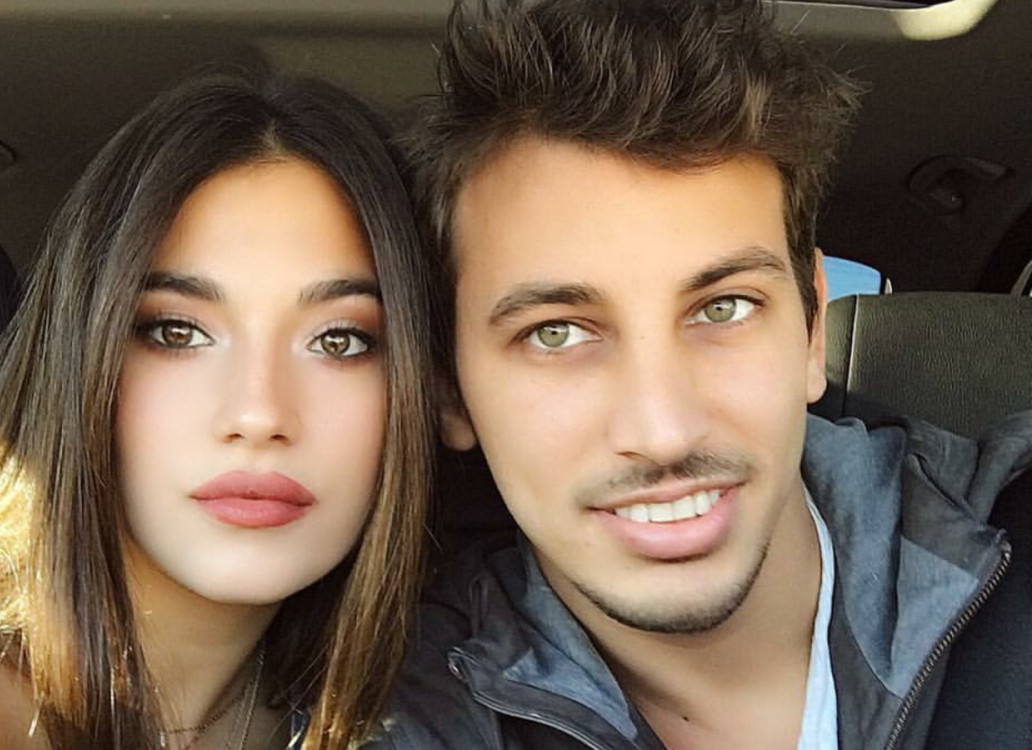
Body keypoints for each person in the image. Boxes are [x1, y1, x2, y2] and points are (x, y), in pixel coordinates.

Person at [372, 1, 1032, 748]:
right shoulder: (403, 711)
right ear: (449, 389)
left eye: (724, 309)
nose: (665, 432)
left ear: (812, 328)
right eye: (556, 333)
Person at [0, 73, 434, 750]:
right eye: (177, 332)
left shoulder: (417, 711)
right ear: (79, 354)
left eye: (340, 341)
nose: (259, 413)